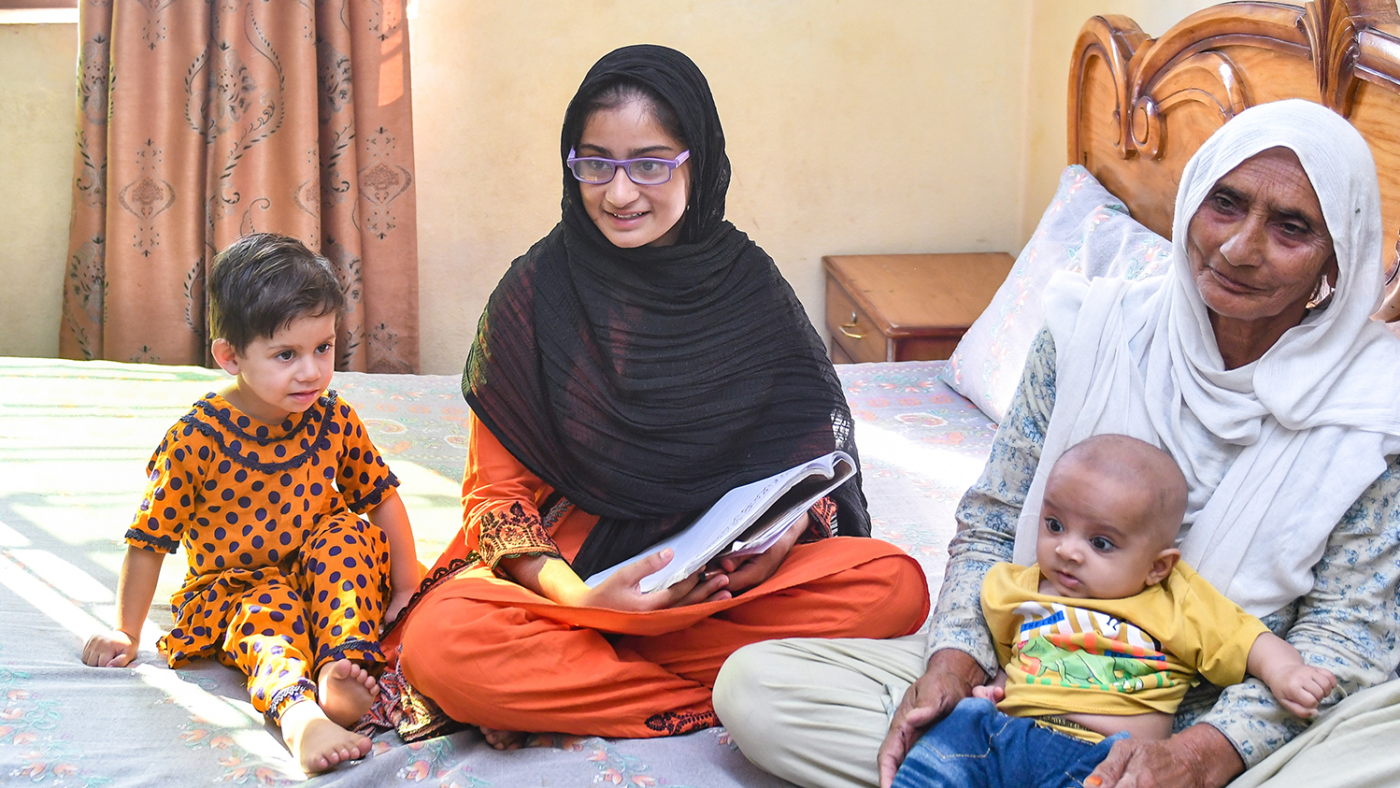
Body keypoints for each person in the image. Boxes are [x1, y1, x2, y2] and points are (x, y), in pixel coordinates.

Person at [713, 98, 1400, 788]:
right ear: (1192, 199)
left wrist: (1198, 757)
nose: (1239, 247)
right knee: (756, 688)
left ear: (1335, 259)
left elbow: (1348, 635)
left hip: (1241, 730)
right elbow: (993, 522)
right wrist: (952, 668)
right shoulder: (1089, 331)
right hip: (1033, 681)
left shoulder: (1374, 405)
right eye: (1226, 203)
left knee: (1385, 737)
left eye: (1291, 228)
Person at [356, 44, 928, 747]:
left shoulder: (749, 289)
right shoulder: (536, 295)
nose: (619, 194)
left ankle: (564, 690)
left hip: (720, 586)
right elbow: (495, 503)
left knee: (893, 582)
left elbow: (808, 465)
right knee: (443, 641)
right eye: (595, 162)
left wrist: (783, 542)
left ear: (700, 162)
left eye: (650, 164)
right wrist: (584, 598)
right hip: (576, 580)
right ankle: (707, 694)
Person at [81, 233, 420, 775]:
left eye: (323, 348)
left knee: (349, 536)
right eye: (286, 355)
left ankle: (341, 664)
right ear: (229, 356)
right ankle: (299, 715)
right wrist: (126, 630)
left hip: (318, 567)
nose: (310, 371)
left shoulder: (332, 417)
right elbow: (148, 541)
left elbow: (380, 499)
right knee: (269, 617)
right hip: (239, 584)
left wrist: (406, 586)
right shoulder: (196, 440)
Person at [891, 434, 1335, 788]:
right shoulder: (1018, 588)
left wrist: (1288, 673)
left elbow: (1249, 641)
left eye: (1100, 542)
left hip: (1103, 755)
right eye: (1055, 525)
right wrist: (995, 688)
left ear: (1158, 566)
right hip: (1000, 733)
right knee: (944, 746)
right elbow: (1016, 655)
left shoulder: (1178, 602)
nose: (1067, 550)